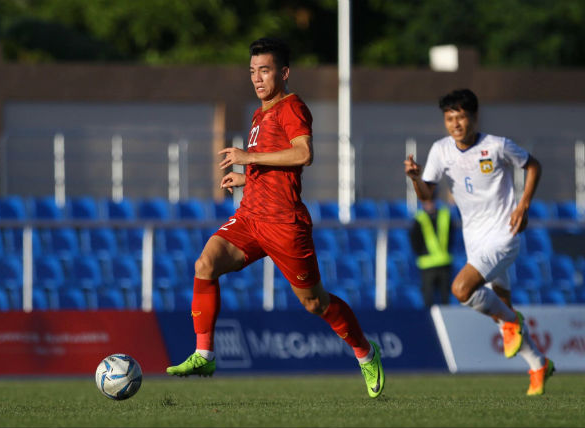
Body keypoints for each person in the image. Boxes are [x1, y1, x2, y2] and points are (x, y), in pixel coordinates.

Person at [166, 37, 385, 399]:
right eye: (252, 71)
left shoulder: (292, 106)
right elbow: (272, 162)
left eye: (264, 71)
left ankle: (365, 352)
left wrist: (248, 160)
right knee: (205, 263)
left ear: (283, 72)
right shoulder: (259, 113)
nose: (257, 79)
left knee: (315, 303)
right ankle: (204, 354)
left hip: (285, 224)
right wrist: (245, 177)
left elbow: (303, 154)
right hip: (251, 217)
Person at [404, 88, 554, 396]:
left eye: (461, 117)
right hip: (474, 238)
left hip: (504, 234)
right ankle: (539, 365)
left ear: (474, 117)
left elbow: (533, 165)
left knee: (462, 289)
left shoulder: (496, 146)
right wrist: (416, 179)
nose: (456, 124)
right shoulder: (441, 150)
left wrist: (524, 203)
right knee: (502, 309)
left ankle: (513, 321)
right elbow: (427, 196)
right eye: (450, 118)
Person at [409, 198, 453, 305]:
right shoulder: (420, 218)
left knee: (445, 297)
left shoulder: (444, 215)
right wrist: (421, 252)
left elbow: (451, 236)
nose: (429, 204)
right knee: (428, 297)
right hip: (427, 264)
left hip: (444, 262)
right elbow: (414, 239)